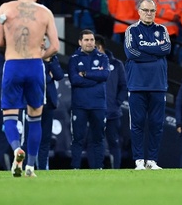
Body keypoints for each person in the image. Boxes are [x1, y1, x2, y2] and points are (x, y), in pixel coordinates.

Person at [0, 0, 60, 178]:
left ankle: (16, 149)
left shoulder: (6, 8)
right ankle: (30, 166)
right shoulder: (45, 12)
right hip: (34, 65)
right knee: (35, 118)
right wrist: (39, 56)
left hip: (13, 64)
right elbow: (55, 46)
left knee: (10, 116)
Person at [124, 0, 171, 170]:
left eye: (152, 11)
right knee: (137, 123)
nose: (149, 13)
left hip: (158, 85)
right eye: (145, 10)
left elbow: (166, 49)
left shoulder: (162, 29)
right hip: (137, 85)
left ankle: (151, 160)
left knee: (157, 124)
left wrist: (143, 48)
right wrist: (155, 53)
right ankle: (138, 161)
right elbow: (131, 53)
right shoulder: (131, 30)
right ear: (139, 11)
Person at [68, 29, 110, 169]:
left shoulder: (103, 57)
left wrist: (85, 74)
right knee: (78, 138)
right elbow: (74, 80)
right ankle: (75, 168)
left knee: (98, 138)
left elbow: (104, 75)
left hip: (98, 104)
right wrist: (94, 78)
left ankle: (98, 167)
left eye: (91, 40)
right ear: (80, 42)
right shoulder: (74, 58)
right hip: (79, 104)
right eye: (86, 40)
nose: (90, 42)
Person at [95, 34, 127, 169]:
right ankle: (97, 168)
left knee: (114, 142)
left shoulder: (116, 64)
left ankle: (116, 169)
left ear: (100, 47)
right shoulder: (89, 63)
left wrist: (117, 102)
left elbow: (124, 86)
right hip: (95, 111)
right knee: (96, 142)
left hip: (113, 113)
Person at [39, 36, 64, 170]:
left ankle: (43, 167)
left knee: (45, 138)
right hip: (33, 102)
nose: (43, 42)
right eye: (41, 40)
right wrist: (48, 74)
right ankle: (27, 165)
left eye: (44, 40)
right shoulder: (30, 55)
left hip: (48, 102)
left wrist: (49, 61)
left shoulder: (51, 56)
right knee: (30, 136)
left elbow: (59, 75)